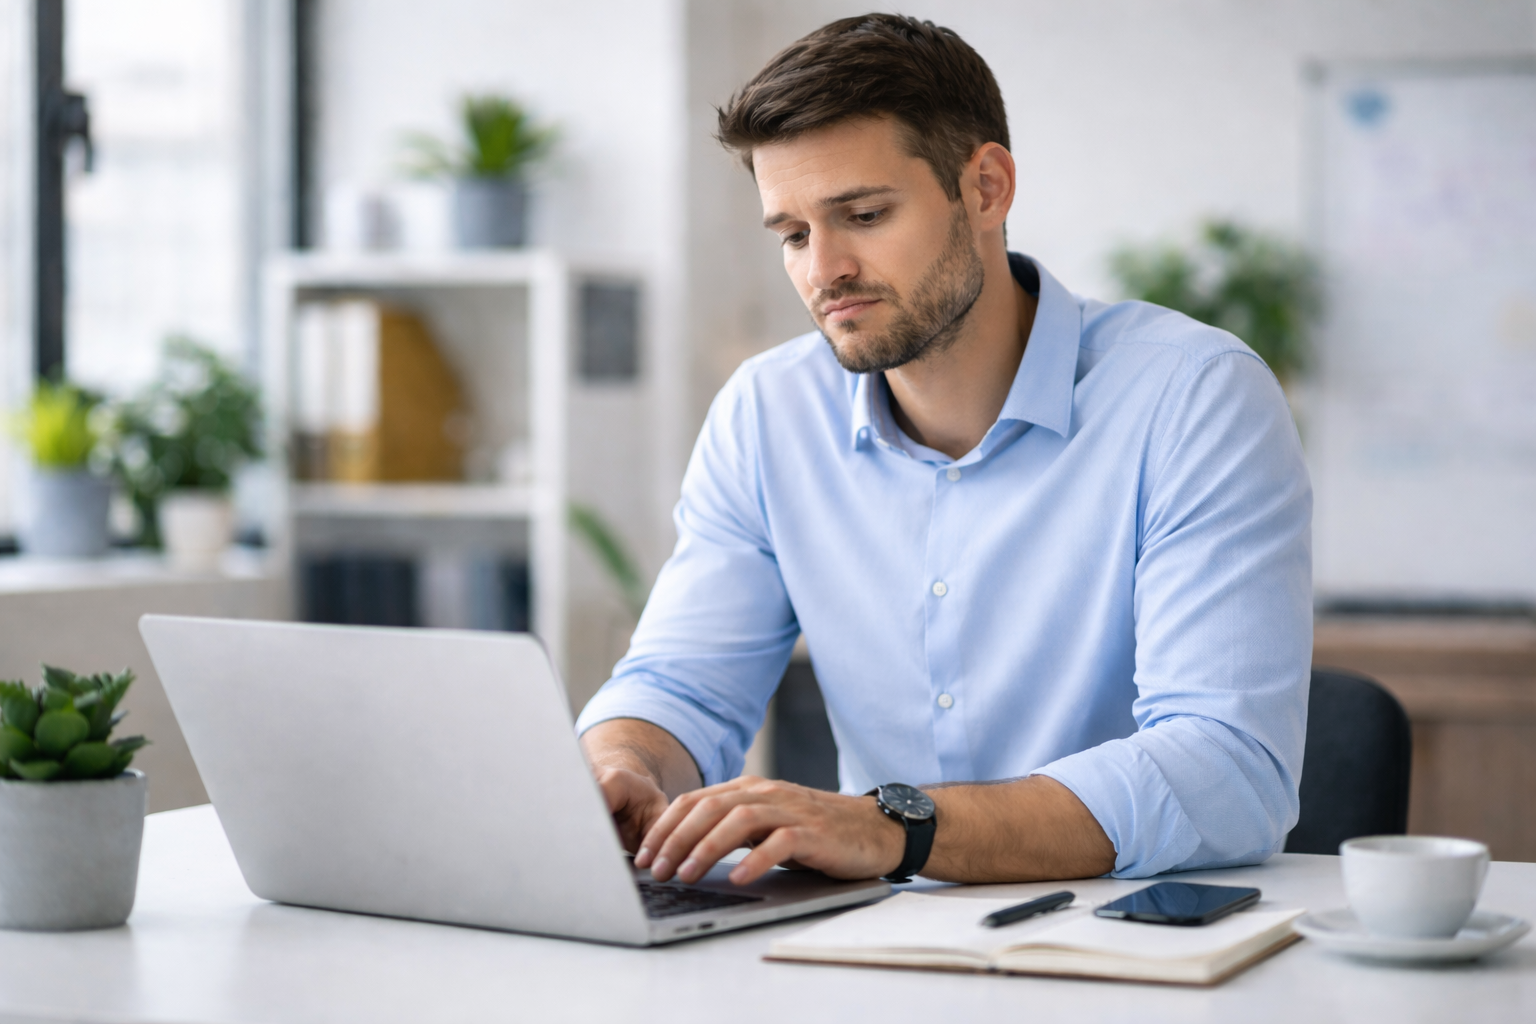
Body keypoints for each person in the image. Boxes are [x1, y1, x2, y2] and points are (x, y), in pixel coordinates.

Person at [576, 13, 1311, 888]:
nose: (824, 271)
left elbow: (1226, 773)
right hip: (870, 943)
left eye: (863, 214)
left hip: (1129, 942)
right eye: (794, 234)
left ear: (987, 188)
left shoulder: (1192, 397)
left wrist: (895, 828)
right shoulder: (766, 413)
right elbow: (682, 686)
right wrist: (623, 762)